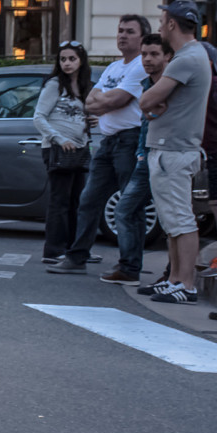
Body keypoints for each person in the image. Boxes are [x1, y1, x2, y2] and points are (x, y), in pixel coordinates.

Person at [48, 15, 149, 275]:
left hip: (130, 139)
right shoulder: (114, 67)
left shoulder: (140, 66)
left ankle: (129, 265)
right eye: (120, 31)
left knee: (129, 205)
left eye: (129, 31)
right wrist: (104, 103)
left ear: (142, 37)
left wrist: (104, 102)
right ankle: (77, 257)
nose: (122, 36)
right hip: (108, 141)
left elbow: (117, 99)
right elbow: (91, 102)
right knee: (89, 199)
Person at [136, 1, 211, 304]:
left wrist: (152, 105)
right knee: (172, 222)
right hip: (172, 148)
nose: (158, 25)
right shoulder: (193, 55)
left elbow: (145, 101)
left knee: (180, 220)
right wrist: (155, 107)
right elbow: (154, 104)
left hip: (174, 150)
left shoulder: (186, 58)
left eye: (161, 20)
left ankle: (186, 285)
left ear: (171, 25)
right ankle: (176, 280)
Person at [100, 34, 171, 286]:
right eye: (144, 54)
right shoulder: (144, 84)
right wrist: (141, 151)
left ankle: (172, 274)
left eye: (154, 54)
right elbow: (145, 122)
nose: (148, 59)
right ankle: (130, 268)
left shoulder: (172, 84)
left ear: (167, 57)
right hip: (147, 156)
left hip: (168, 156)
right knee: (126, 208)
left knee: (169, 216)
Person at [34, 41, 93, 264]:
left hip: (80, 148)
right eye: (63, 59)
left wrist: (94, 121)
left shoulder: (87, 86)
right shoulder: (54, 85)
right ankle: (53, 250)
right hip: (57, 149)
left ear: (81, 61)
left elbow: (86, 116)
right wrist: (59, 138)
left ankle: (74, 248)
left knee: (77, 200)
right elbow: (38, 117)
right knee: (59, 201)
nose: (67, 63)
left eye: (72, 59)